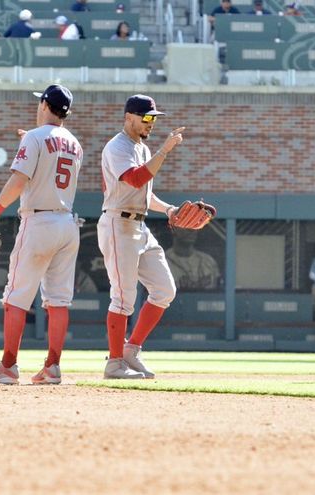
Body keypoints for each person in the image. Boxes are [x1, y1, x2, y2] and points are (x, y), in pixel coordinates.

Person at [0, 84, 82, 386]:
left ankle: (8, 366)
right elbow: (51, 159)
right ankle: (53, 367)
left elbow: (19, 180)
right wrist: (31, 141)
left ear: (45, 104)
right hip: (67, 223)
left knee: (16, 297)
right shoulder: (74, 142)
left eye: (39, 103)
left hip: (39, 222)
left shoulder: (34, 137)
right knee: (58, 300)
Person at [97, 95, 185, 379]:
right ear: (129, 117)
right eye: (146, 117)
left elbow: (144, 192)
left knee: (164, 290)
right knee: (123, 298)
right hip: (117, 223)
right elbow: (135, 179)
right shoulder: (117, 146)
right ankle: (114, 363)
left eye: (154, 118)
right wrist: (165, 151)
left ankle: (131, 350)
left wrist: (168, 209)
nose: (151, 122)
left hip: (139, 224)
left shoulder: (143, 149)